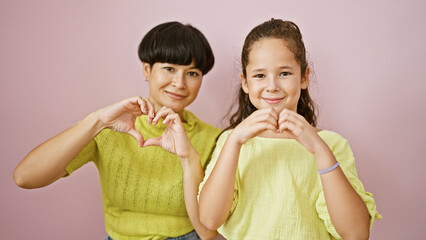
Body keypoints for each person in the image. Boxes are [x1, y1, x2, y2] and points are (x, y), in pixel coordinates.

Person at [14, 21, 221, 240]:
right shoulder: (110, 128)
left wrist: (189, 157)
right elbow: (25, 177)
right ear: (146, 69)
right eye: (169, 68)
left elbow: (207, 232)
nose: (180, 83)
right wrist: (98, 121)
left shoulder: (214, 139)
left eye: (193, 73)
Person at [199, 19, 381, 240]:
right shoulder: (231, 141)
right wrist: (235, 141)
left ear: (304, 77)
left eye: (284, 73)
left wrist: (319, 149)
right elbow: (209, 219)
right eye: (259, 75)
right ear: (245, 83)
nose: (272, 86)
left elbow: (356, 233)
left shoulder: (332, 144)